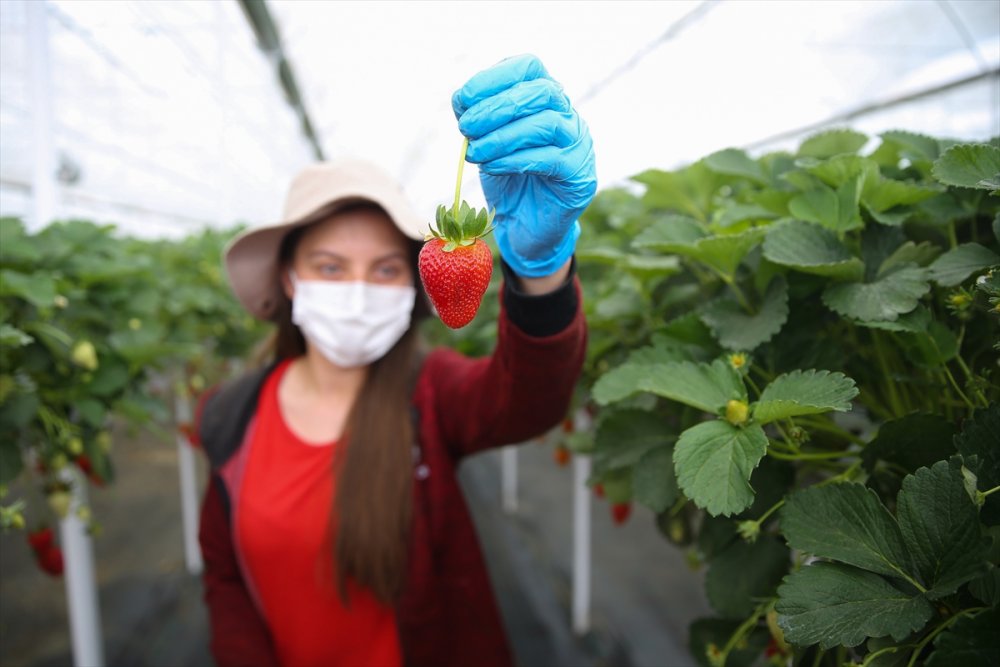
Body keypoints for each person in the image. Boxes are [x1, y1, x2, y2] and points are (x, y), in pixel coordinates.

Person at [196, 54, 596, 667]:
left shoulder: (431, 392)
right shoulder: (230, 415)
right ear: (290, 279)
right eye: (330, 266)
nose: (357, 288)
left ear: (412, 285)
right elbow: (226, 581)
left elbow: (529, 400)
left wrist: (540, 274)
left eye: (385, 268)